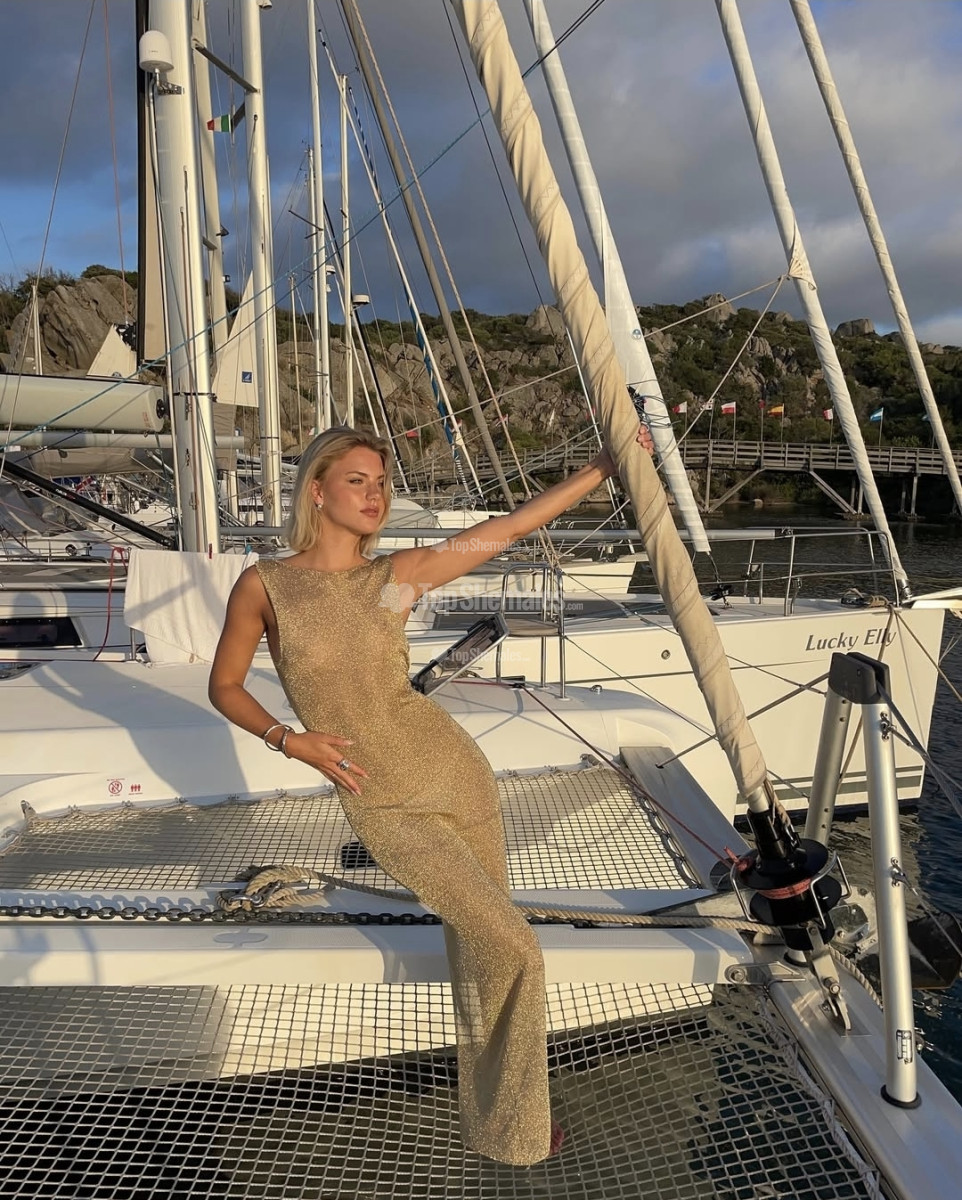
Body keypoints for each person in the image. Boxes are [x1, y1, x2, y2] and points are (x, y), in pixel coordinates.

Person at [208, 421, 654, 1165]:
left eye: (382, 483)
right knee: (513, 943)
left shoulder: (394, 579)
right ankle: (512, 1129)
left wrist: (600, 470)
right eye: (357, 481)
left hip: (454, 773)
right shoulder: (266, 586)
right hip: (379, 797)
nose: (375, 495)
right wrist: (288, 738)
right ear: (316, 490)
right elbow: (224, 685)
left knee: (487, 948)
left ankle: (503, 1126)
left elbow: (508, 529)